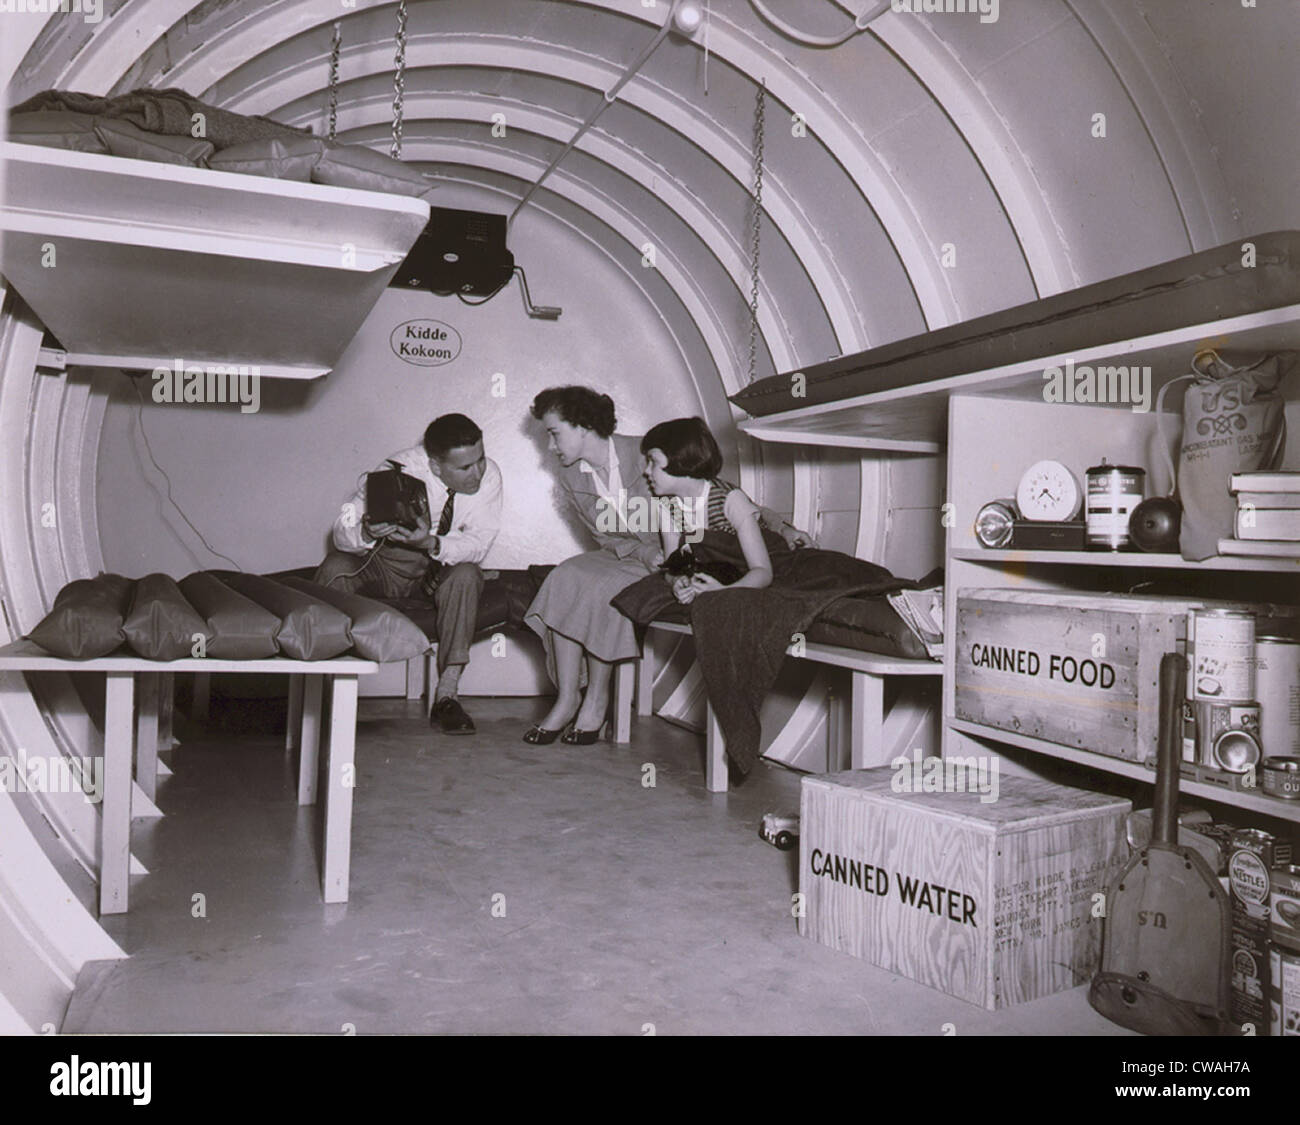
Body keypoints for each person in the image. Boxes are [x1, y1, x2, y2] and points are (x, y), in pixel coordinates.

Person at [523, 387, 814, 745]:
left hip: (671, 556)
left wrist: (782, 528)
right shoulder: (570, 477)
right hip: (638, 555)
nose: (551, 446)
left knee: (596, 588)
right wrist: (643, 554)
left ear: (583, 426)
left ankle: (595, 701)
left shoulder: (649, 453)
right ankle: (568, 698)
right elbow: (606, 538)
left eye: (554, 433)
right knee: (564, 576)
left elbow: (724, 498)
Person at [314, 413, 503, 734]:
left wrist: (430, 541)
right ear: (435, 467)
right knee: (335, 568)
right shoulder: (392, 470)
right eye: (465, 468)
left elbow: (478, 544)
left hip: (437, 570)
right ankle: (318, 693)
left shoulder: (490, 477)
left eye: (480, 459)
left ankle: (447, 696)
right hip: (385, 567)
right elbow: (340, 535)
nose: (478, 473)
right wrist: (368, 531)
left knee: (468, 574)